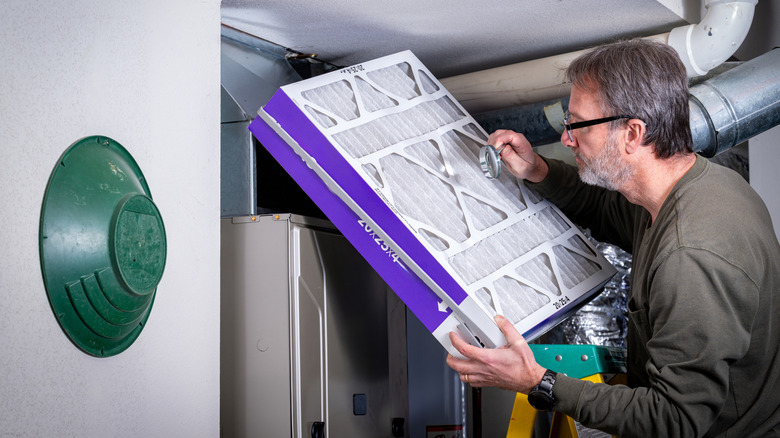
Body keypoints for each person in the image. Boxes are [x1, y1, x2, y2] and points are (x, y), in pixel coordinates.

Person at [446, 38, 780, 437]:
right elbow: (602, 208)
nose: (567, 138)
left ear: (633, 134)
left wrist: (539, 381)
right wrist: (538, 170)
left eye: (577, 124)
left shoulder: (690, 254)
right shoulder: (692, 187)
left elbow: (674, 420)